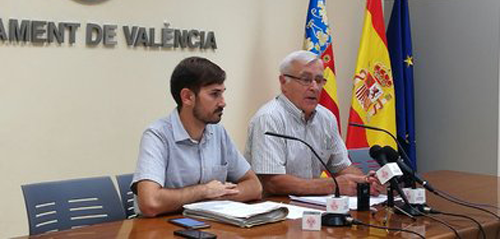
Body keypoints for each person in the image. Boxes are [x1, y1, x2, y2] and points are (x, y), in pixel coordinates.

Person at [132, 57, 262, 217]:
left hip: (207, 225)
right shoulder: (157, 135)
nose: (223, 103)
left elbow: (254, 186)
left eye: (222, 93)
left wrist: (216, 196)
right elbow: (150, 203)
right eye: (214, 94)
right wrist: (204, 191)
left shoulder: (218, 132)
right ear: (187, 97)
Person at [245, 50, 382, 196]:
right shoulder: (269, 118)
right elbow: (272, 182)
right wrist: (333, 185)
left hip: (312, 207)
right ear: (283, 82)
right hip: (277, 209)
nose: (314, 87)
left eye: (319, 80)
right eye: (305, 80)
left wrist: (364, 180)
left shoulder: (326, 118)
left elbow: (342, 167)